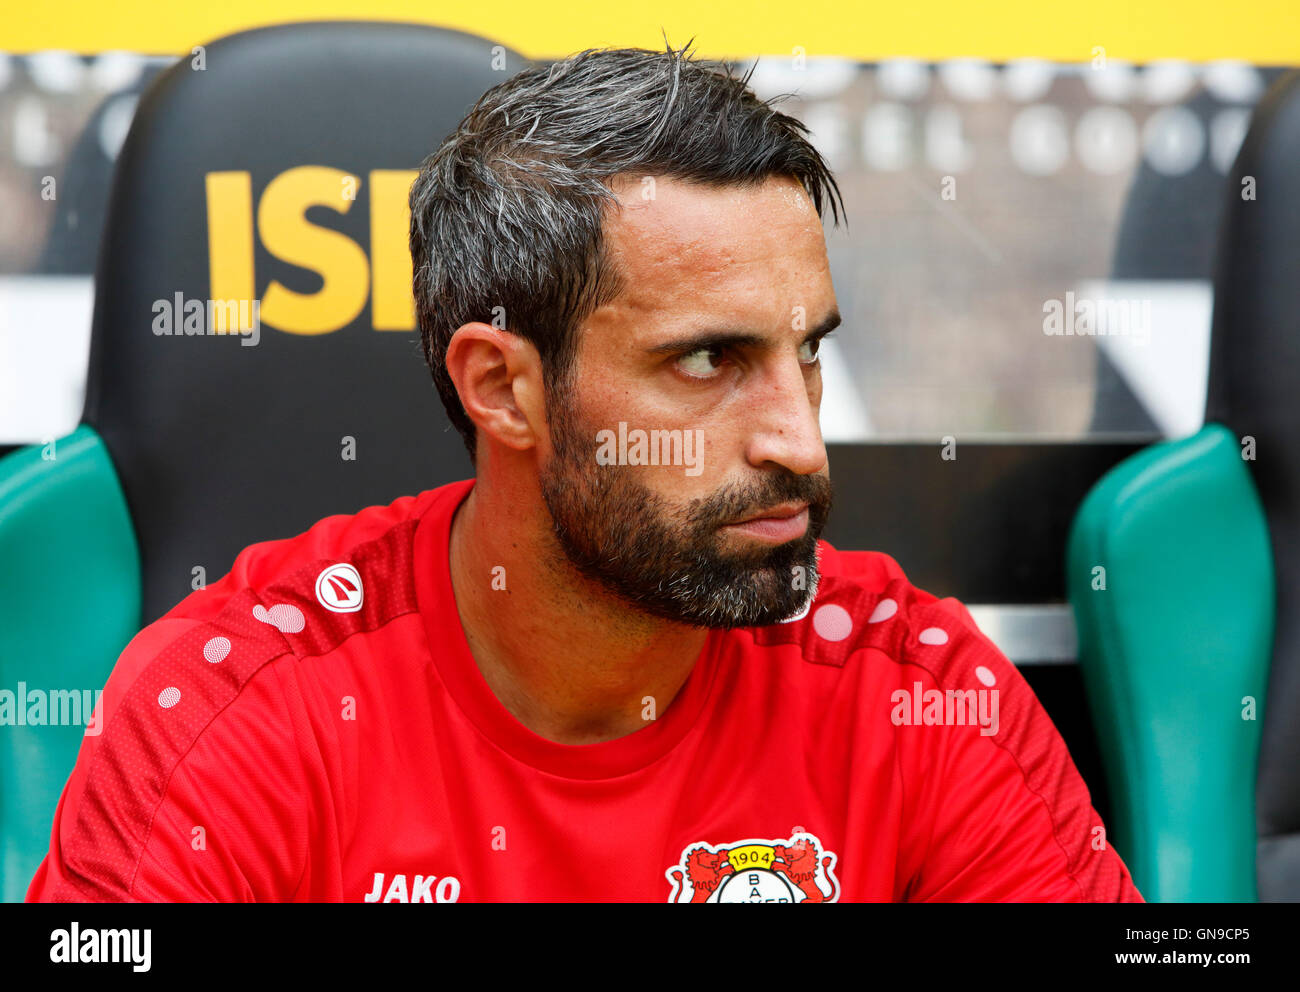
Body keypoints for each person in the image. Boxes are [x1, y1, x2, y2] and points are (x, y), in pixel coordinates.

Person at [28, 42, 1141, 903]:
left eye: (805, 351)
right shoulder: (229, 710)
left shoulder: (923, 693)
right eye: (708, 360)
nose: (799, 442)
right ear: (503, 388)